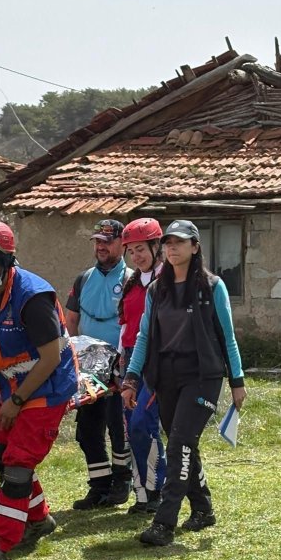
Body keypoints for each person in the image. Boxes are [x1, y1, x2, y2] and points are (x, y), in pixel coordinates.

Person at [0, 220, 78, 560]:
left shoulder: (32, 296)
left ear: (7, 262)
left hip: (47, 388)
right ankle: (39, 519)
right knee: (1, 449)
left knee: (19, 463)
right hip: (11, 390)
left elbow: (51, 357)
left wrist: (17, 402)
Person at [121, 220, 247, 546]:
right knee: (185, 443)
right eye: (168, 242)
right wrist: (132, 379)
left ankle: (164, 522)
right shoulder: (156, 289)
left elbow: (227, 337)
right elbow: (144, 336)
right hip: (167, 377)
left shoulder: (212, 286)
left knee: (178, 443)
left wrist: (237, 381)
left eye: (180, 242)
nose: (172, 248)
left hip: (203, 377)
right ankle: (203, 510)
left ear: (195, 247)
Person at [65, 218, 133, 509]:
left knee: (119, 427)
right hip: (88, 368)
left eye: (107, 241)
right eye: (97, 241)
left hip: (119, 365)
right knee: (88, 431)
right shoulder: (84, 279)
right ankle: (99, 484)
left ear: (122, 244)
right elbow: (71, 320)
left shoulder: (132, 279)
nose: (101, 246)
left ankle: (122, 480)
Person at [118, 218, 167, 514]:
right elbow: (125, 324)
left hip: (156, 360)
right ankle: (143, 493)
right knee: (131, 426)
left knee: (142, 422)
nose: (137, 256)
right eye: (131, 251)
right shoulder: (132, 283)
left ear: (155, 246)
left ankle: (157, 488)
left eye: (141, 249)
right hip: (129, 359)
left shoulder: (169, 281)